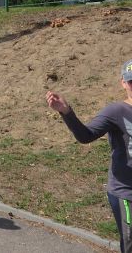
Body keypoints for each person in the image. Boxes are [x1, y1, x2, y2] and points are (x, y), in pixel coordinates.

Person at [46, 59, 132, 253]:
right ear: (123, 83)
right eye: (131, 82)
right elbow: (86, 136)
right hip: (125, 192)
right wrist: (66, 111)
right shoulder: (116, 111)